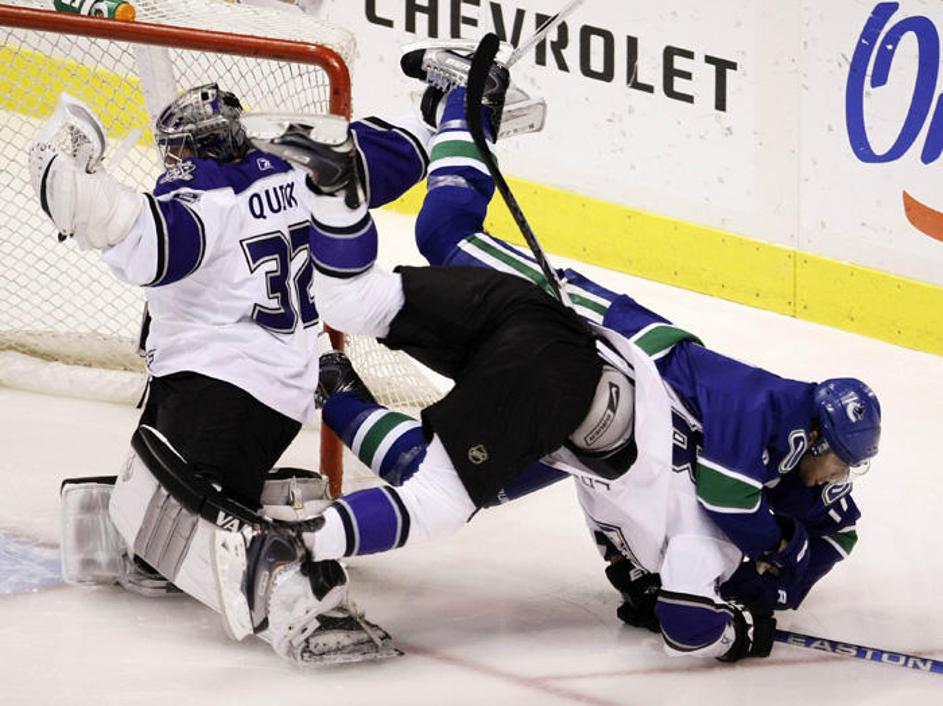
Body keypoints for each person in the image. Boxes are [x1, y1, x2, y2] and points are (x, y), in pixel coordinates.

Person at [212, 45, 881, 664]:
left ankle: (333, 347)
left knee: (391, 385)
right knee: (446, 235)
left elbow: (757, 553)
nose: (838, 475)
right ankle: (470, 100)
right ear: (815, 436)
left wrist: (764, 571)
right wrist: (773, 563)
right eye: (840, 460)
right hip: (580, 326)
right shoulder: (764, 416)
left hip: (574, 413)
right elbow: (732, 506)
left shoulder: (758, 473)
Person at [30, 83, 433, 665]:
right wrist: (439, 110)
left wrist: (67, 184)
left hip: (218, 386)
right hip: (278, 389)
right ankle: (219, 524)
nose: (172, 160)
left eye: (177, 149)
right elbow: (394, 152)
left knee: (183, 506)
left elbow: (150, 242)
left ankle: (300, 596)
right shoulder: (305, 166)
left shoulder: (205, 191)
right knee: (166, 477)